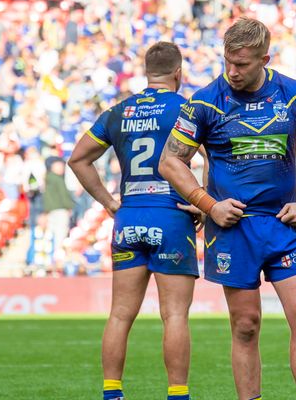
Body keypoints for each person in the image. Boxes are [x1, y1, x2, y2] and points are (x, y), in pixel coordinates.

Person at [159, 17, 296, 400]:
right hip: (233, 229)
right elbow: (170, 162)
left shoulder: (295, 96)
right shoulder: (205, 102)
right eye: (228, 61)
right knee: (246, 325)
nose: (232, 71)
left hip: (283, 226)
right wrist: (208, 205)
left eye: (242, 64)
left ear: (264, 59)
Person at [68, 42, 199, 400]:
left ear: (146, 72)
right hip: (171, 215)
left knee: (120, 315)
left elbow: (78, 159)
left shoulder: (120, 111)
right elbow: (217, 157)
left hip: (129, 216)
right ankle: (177, 395)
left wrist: (109, 202)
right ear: (178, 73)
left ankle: (112, 393)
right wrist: (203, 201)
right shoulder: (187, 109)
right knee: (174, 315)